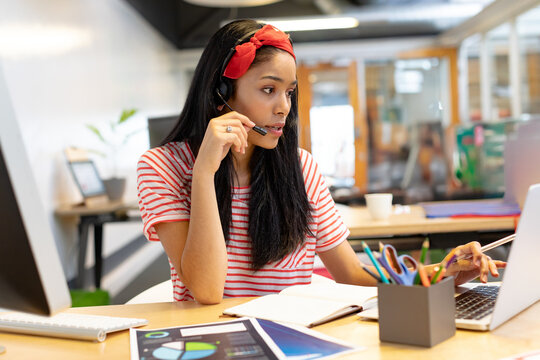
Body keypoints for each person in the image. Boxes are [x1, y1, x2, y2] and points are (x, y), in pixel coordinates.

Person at [137, 19, 505, 304]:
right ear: (221, 95)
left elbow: (352, 275)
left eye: (289, 92)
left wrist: (442, 273)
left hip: (296, 341)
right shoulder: (161, 168)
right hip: (213, 342)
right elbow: (206, 291)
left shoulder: (300, 167)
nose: (284, 107)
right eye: (268, 90)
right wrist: (204, 173)